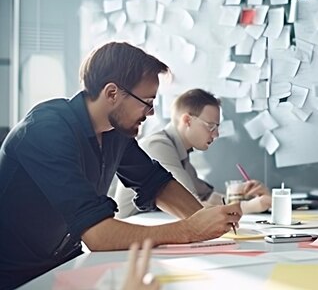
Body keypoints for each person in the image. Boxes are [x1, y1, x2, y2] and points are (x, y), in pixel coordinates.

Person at [0, 42, 242, 289]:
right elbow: (98, 234)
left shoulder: (114, 132)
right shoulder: (46, 131)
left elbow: (153, 182)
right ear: (112, 93)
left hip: (65, 264)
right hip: (17, 276)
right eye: (146, 102)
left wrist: (205, 219)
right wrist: (189, 230)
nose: (150, 113)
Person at [114, 88, 271, 218]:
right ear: (187, 121)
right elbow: (191, 205)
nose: (215, 135)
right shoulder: (158, 146)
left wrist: (239, 195)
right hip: (132, 232)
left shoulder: (181, 154)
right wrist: (250, 206)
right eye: (211, 126)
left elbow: (206, 197)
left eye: (217, 127)